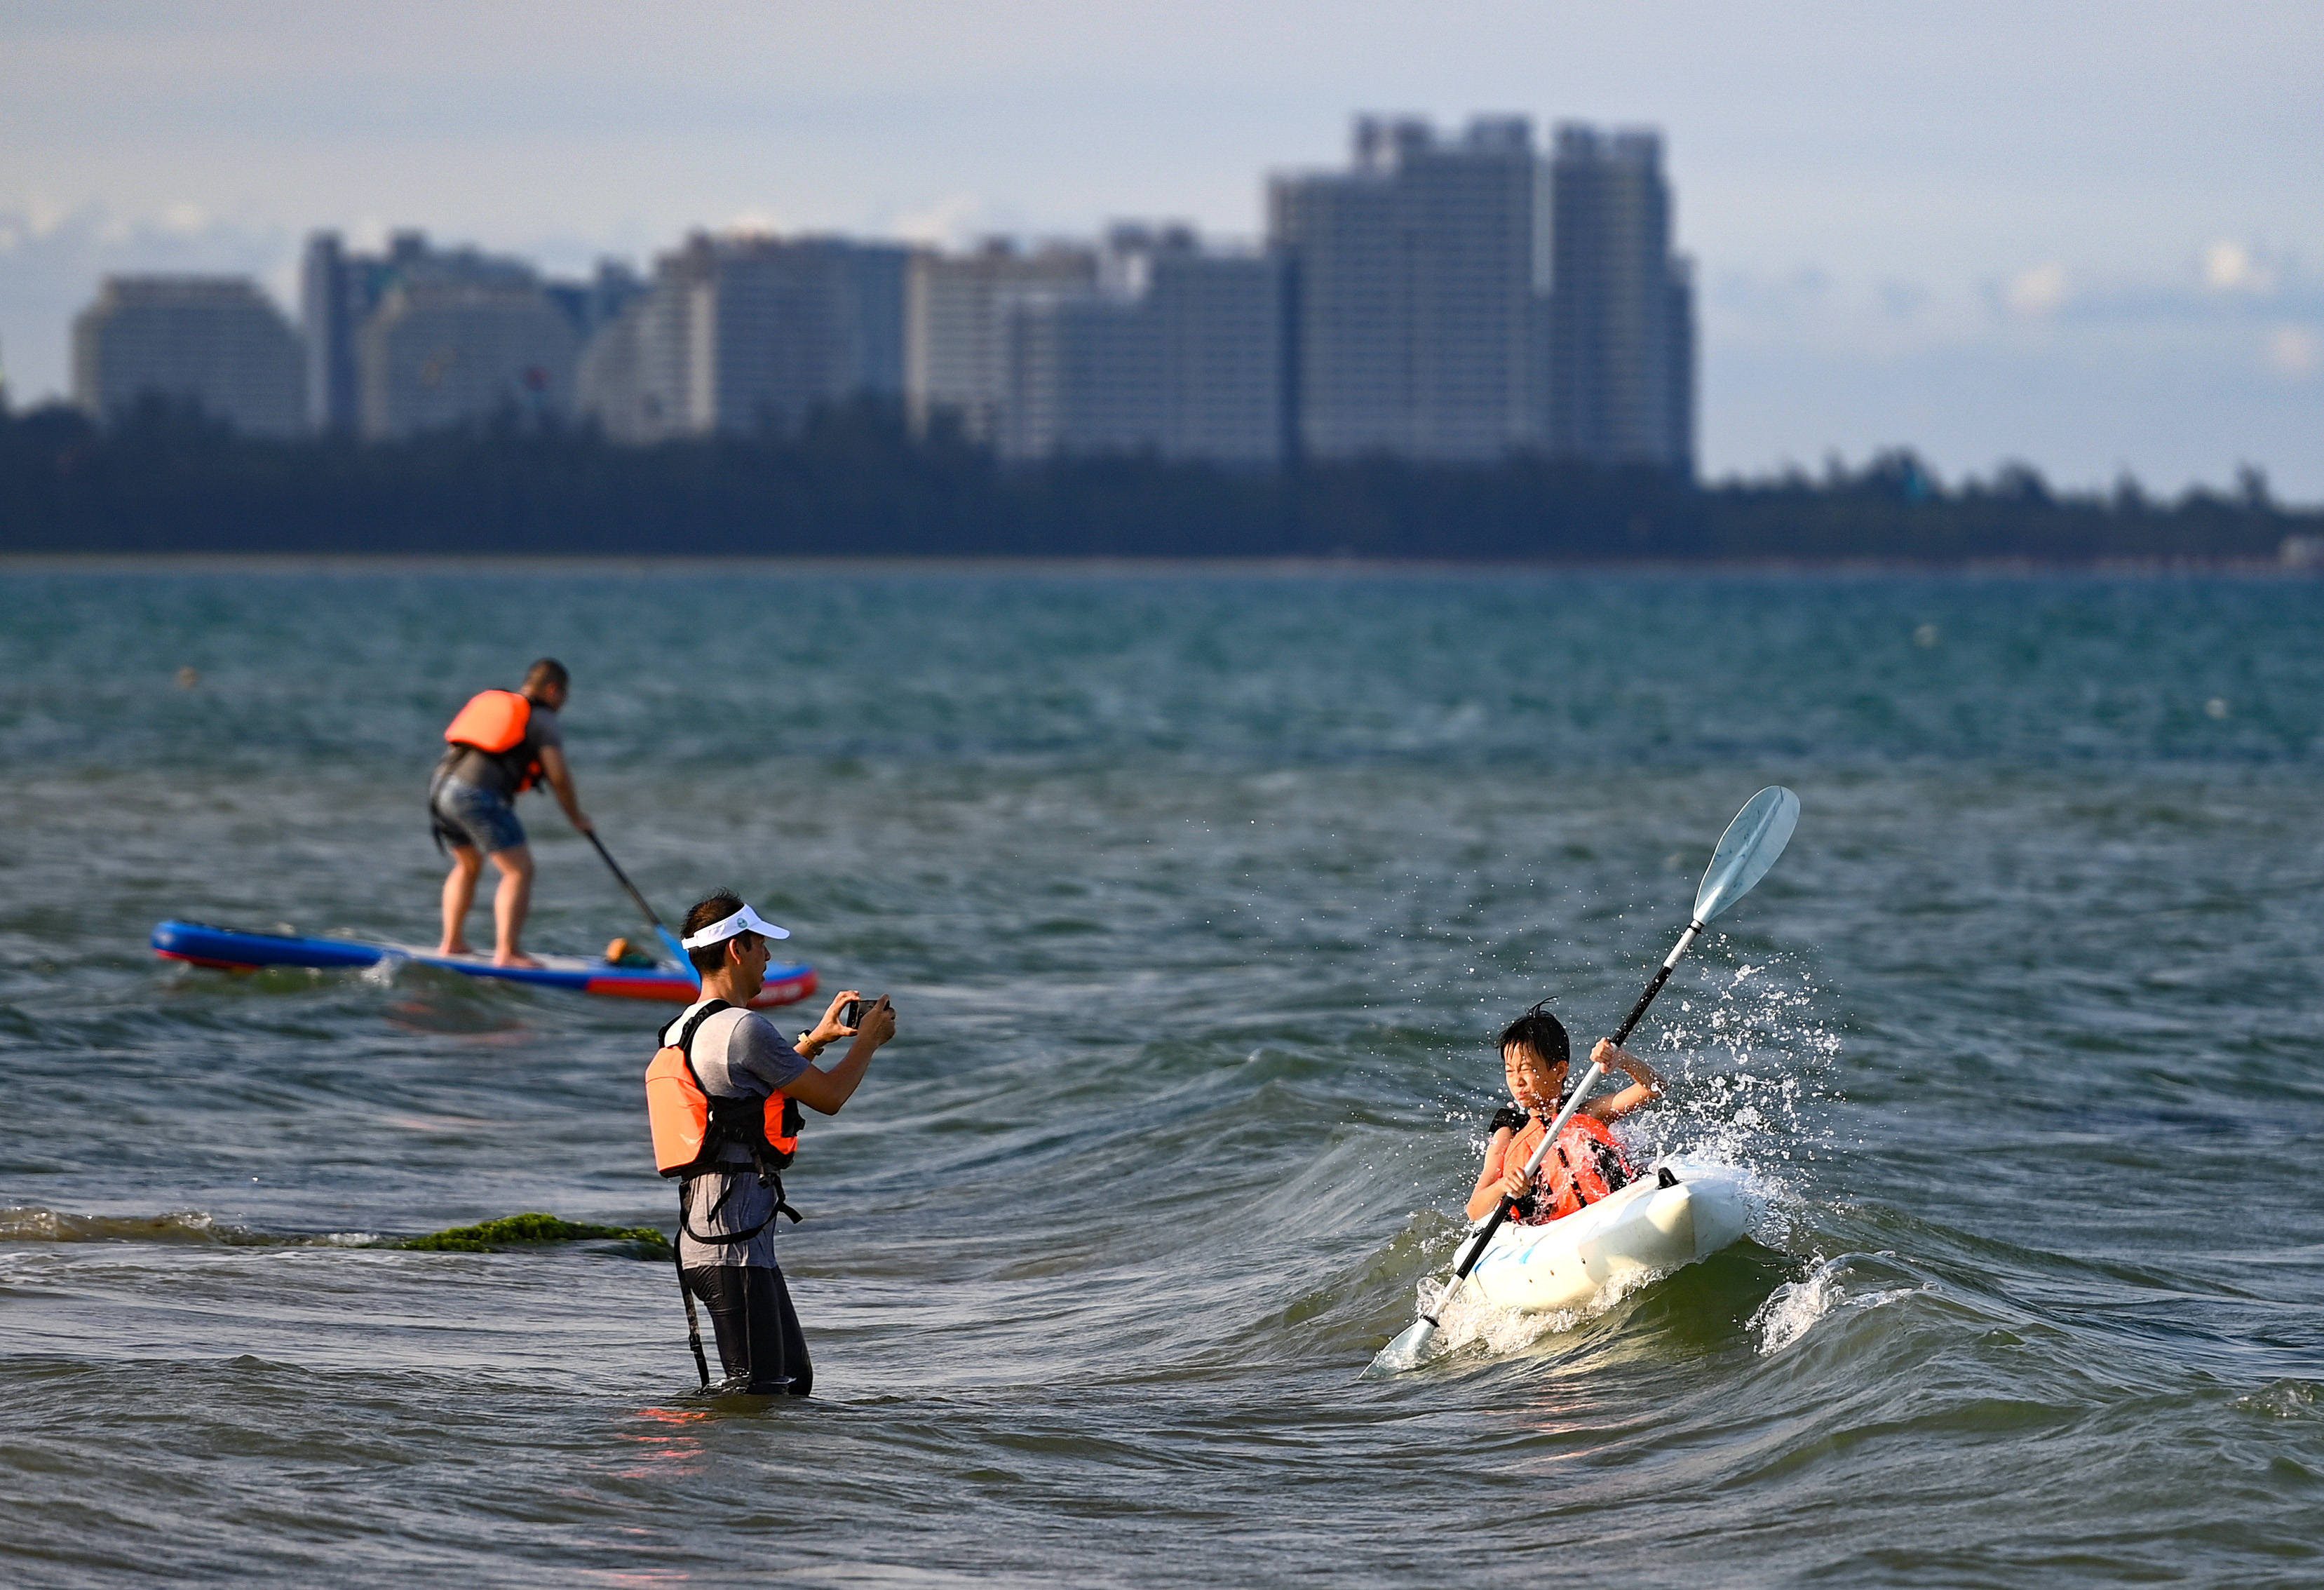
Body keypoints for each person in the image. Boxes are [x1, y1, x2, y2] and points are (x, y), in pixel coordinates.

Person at [649, 890, 896, 1396]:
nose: (768, 959)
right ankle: (700, 1467)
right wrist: (868, 1040)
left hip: (715, 1242)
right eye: (762, 947)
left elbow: (742, 1088)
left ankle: (737, 1467)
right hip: (732, 1248)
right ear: (737, 950)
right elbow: (827, 1096)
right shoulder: (744, 1027)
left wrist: (818, 1039)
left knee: (792, 1383)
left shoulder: (683, 1027)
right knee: (758, 1392)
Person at [428, 657, 591, 966]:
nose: (562, 705)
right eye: (563, 698)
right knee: (518, 870)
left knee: (467, 864)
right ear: (553, 689)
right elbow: (559, 776)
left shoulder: (499, 704)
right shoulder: (542, 720)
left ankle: (452, 943)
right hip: (474, 795)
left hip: (440, 788)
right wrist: (576, 817)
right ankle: (508, 952)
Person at [1465, 1001, 1667, 1225]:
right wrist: (1505, 1185)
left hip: (1613, 1212)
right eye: (1510, 1072)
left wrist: (1623, 1060)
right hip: (1553, 1232)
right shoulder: (1509, 1132)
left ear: (1559, 1070)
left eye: (1526, 1070)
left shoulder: (1586, 1111)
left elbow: (1655, 1088)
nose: (1517, 1081)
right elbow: (1475, 1210)